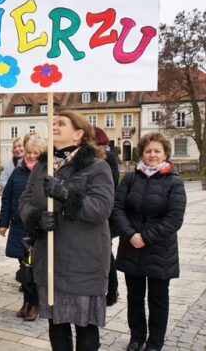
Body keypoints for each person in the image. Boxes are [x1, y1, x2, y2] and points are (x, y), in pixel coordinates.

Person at [19, 111, 114, 351]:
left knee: (85, 325)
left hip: (83, 260)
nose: (55, 126)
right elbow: (25, 201)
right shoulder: (42, 166)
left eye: (61, 123)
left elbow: (101, 208)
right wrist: (37, 219)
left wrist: (65, 195)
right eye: (53, 123)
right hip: (50, 258)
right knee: (57, 322)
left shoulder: (97, 167)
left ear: (79, 134)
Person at [113, 132, 186, 351]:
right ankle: (137, 338)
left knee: (158, 299)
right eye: (148, 151)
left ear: (165, 154)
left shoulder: (174, 181)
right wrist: (130, 234)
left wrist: (145, 237)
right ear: (141, 153)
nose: (152, 155)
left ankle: (155, 342)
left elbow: (174, 219)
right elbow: (117, 208)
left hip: (159, 249)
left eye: (157, 151)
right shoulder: (131, 178)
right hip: (131, 245)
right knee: (134, 297)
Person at [0, 133, 44, 322]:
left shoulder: (46, 172)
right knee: (24, 268)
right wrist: (3, 222)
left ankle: (35, 304)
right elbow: (7, 197)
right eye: (29, 152)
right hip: (19, 226)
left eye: (36, 153)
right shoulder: (18, 172)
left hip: (37, 228)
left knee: (35, 269)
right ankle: (26, 301)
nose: (31, 156)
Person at [93, 127, 120, 306]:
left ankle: (112, 291)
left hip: (105, 213)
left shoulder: (107, 158)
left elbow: (112, 184)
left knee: (106, 252)